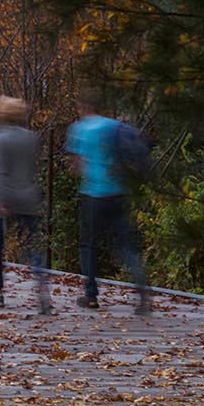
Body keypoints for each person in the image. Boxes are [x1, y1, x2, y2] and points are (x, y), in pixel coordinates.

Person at [65, 92, 152, 314]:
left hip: (93, 194)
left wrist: (82, 169)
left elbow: (77, 167)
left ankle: (91, 295)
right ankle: (142, 288)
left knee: (89, 245)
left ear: (82, 106)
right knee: (124, 244)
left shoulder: (79, 129)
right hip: (119, 193)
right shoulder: (115, 127)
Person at [0, 95, 52, 314]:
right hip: (28, 196)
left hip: (5, 198)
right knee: (32, 245)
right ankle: (41, 286)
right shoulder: (32, 137)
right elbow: (33, 168)